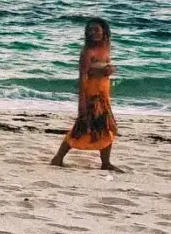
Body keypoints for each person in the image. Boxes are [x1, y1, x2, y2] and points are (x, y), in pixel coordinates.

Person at [51, 18, 123, 172]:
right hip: (91, 95)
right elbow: (83, 76)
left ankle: (105, 163)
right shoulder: (87, 52)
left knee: (106, 127)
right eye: (90, 30)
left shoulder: (106, 46)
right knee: (82, 127)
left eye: (96, 29)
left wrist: (111, 69)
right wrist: (82, 104)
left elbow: (103, 67)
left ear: (104, 30)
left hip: (103, 93)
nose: (93, 33)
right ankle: (58, 158)